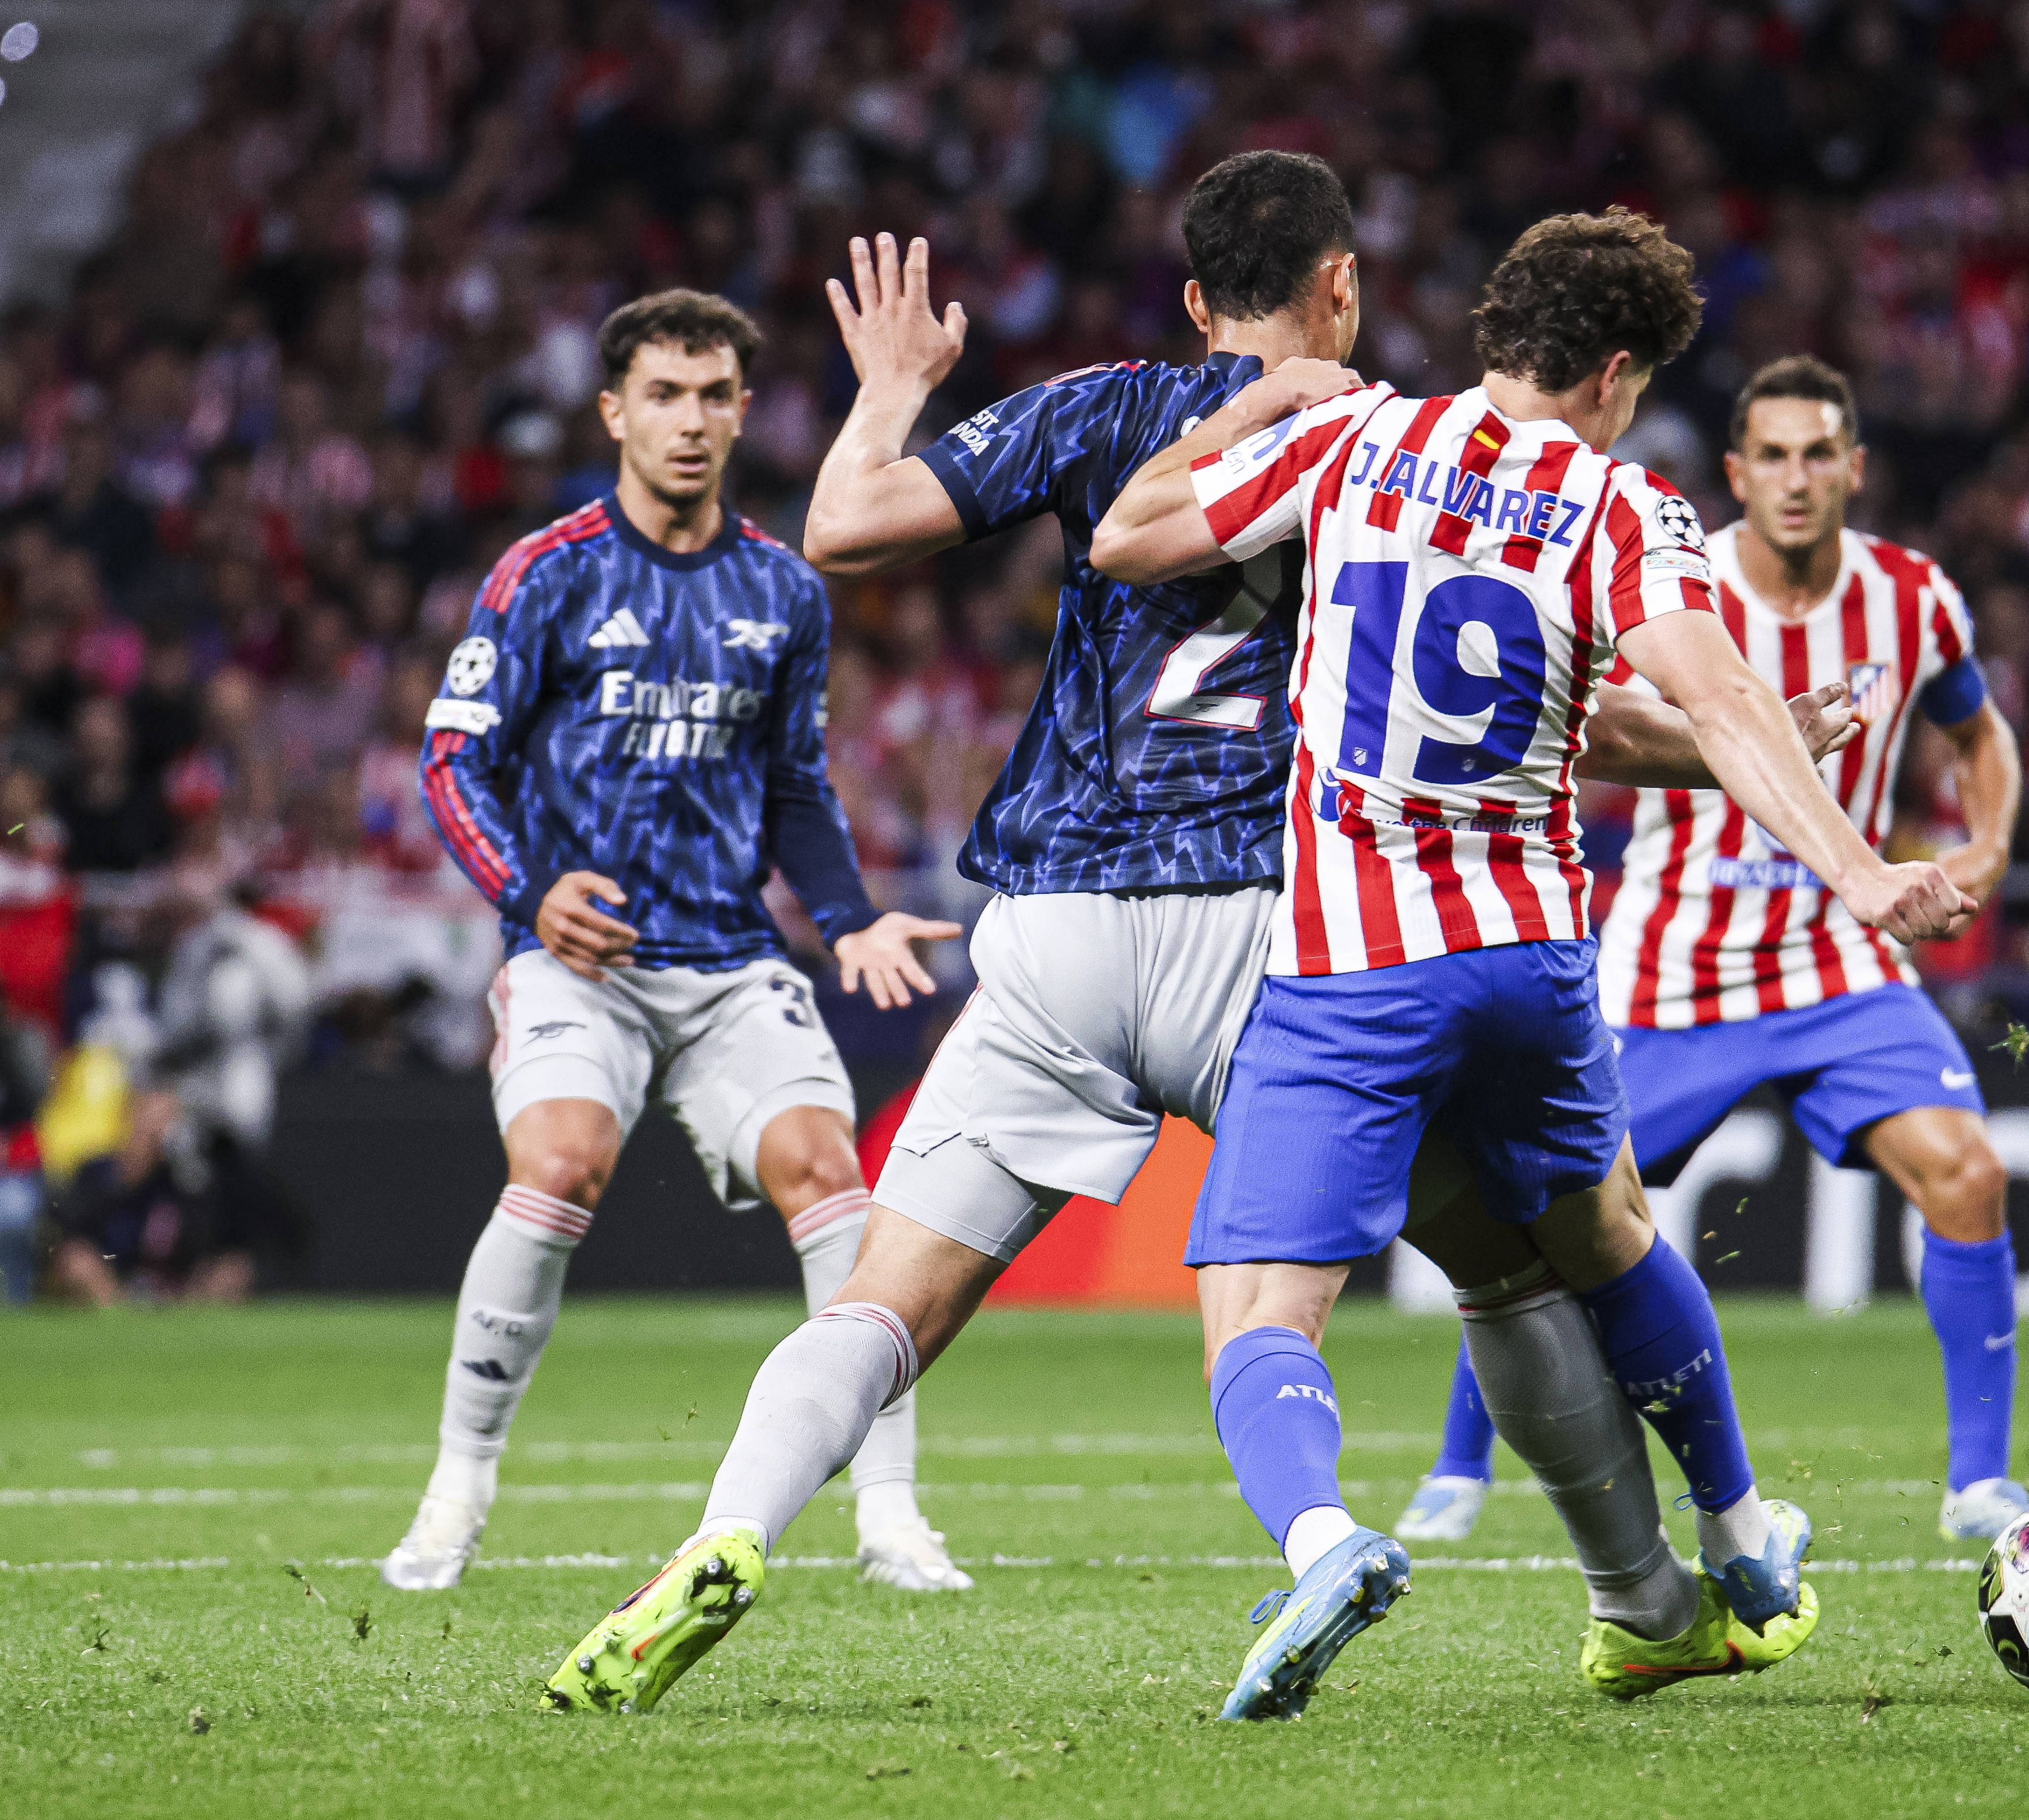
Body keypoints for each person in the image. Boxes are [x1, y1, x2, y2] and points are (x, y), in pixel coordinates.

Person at [537, 157, 1856, 1721]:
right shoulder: (1384, 439)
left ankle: (726, 1529)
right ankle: (1643, 1596)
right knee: (1513, 1267)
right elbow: (1558, 716)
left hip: (1053, 933)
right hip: (1272, 931)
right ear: (1341, 286)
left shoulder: (1102, 409)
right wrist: (1745, 745)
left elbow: (844, 523)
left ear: (1191, 298)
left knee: (884, 1301)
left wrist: (890, 387)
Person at [1089, 210, 1972, 1717]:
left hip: (1357, 962)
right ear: (1615, 373)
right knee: (1609, 1233)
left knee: (1258, 1300)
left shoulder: (1354, 439)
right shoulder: (1622, 507)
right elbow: (1713, 700)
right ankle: (1738, 1535)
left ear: (1500, 329)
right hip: (1534, 957)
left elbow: (1128, 535)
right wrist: (1858, 867)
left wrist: (1258, 404)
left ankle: (1322, 1539)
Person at [1390, 357, 2029, 1550]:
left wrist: (1991, 841)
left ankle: (1981, 1484)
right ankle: (1457, 1466)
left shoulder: (1915, 599)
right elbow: (1583, 724)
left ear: (1854, 468)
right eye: (1773, 456)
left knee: (1969, 1172)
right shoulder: (1663, 578)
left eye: (1818, 454)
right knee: (1548, 1214)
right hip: (1671, 973)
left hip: (1839, 966)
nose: (1796, 478)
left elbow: (1978, 731)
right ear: (1737, 473)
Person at [380, 290, 966, 1595]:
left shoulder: (782, 589)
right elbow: (453, 759)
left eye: (712, 396)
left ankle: (891, 1514)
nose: (689, 421)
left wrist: (851, 917)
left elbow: (797, 787)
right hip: (578, 960)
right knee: (562, 1161)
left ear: (743, 412)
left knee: (833, 1178)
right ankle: (455, 1493)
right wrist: (528, 892)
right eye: (663, 395)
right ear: (614, 412)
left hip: (727, 958)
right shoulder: (545, 573)